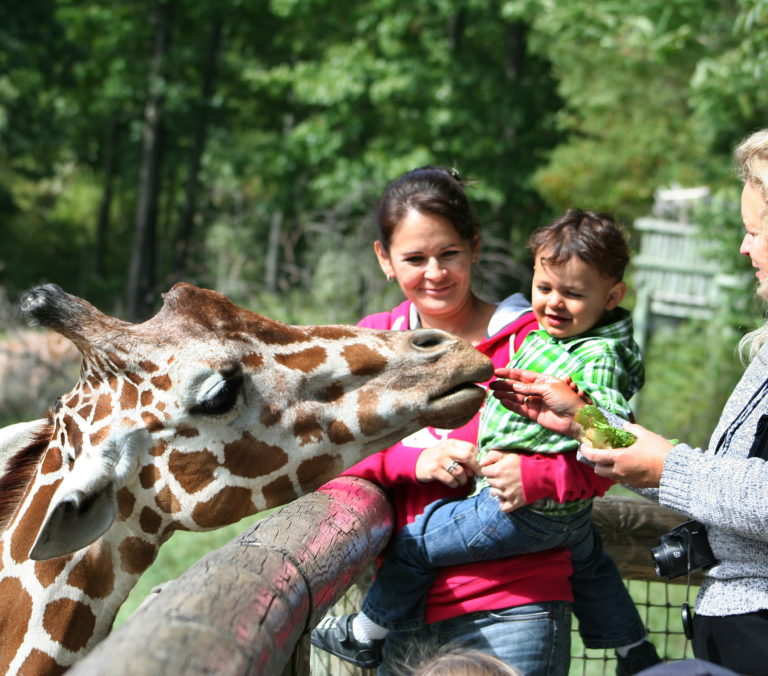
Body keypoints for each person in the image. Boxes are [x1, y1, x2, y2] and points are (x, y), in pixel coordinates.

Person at [310, 166, 629, 676]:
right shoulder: (370, 344)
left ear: (475, 247)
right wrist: (411, 462)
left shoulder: (541, 337)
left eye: (449, 254)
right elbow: (327, 450)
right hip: (403, 618)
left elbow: (614, 447)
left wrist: (539, 474)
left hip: (515, 604)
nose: (434, 272)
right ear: (384, 259)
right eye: (414, 258)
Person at [491, 129, 768, 676]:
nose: (743, 247)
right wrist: (583, 422)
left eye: (755, 231)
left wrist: (670, 465)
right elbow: (718, 477)